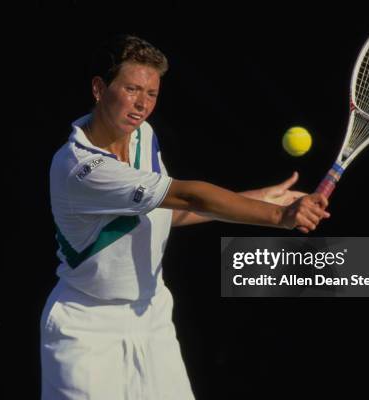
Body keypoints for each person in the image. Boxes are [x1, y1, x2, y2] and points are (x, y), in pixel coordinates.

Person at [40, 34, 330, 400]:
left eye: (151, 94)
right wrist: (278, 215)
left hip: (153, 319)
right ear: (99, 88)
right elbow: (186, 194)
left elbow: (168, 215)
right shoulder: (79, 167)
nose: (141, 105)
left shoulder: (144, 135)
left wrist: (255, 197)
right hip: (86, 329)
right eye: (131, 89)